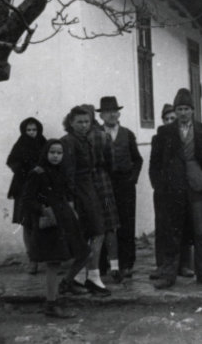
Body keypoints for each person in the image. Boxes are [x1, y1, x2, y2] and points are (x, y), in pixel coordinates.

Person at [149, 89, 202, 289]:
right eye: (179, 109)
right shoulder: (164, 132)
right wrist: (160, 186)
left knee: (201, 231)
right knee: (172, 231)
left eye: (186, 109)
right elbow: (154, 164)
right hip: (173, 190)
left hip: (199, 188)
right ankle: (168, 275)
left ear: (193, 110)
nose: (183, 113)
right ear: (175, 110)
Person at [21, 139, 90, 318]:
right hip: (50, 222)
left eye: (59, 153)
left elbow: (66, 193)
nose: (56, 156)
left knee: (83, 252)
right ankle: (51, 304)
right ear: (46, 153)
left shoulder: (61, 170)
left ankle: (66, 283)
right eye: (52, 152)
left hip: (65, 218)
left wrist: (72, 209)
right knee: (53, 263)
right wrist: (43, 209)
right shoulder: (37, 173)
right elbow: (27, 200)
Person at [61, 106, 111, 296]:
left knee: (96, 233)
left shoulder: (85, 140)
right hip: (79, 192)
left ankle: (81, 277)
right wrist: (71, 201)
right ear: (71, 123)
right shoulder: (68, 142)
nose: (83, 125)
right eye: (79, 122)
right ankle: (86, 278)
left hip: (90, 188)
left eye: (86, 121)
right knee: (96, 232)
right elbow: (68, 173)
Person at [97, 96, 143, 278]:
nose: (111, 115)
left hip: (125, 185)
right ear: (101, 116)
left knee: (126, 222)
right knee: (104, 224)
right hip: (104, 186)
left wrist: (132, 179)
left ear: (119, 113)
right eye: (107, 112)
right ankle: (103, 265)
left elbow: (137, 160)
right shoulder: (96, 133)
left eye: (114, 112)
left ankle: (126, 264)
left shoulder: (127, 134)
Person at [149, 103, 195, 280]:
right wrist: (158, 185)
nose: (169, 122)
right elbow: (154, 164)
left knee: (184, 227)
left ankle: (183, 265)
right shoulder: (159, 137)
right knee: (163, 228)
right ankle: (163, 265)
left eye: (172, 119)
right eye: (166, 119)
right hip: (163, 190)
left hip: (183, 188)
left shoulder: (185, 137)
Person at [81, 104, 123, 284]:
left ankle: (90, 269)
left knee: (90, 227)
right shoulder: (102, 136)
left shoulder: (76, 138)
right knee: (109, 225)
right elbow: (112, 162)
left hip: (84, 183)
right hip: (103, 183)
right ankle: (114, 266)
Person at [6, 117, 47, 274]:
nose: (31, 133)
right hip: (23, 189)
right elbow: (11, 162)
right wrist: (28, 170)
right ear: (24, 131)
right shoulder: (20, 145)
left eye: (34, 130)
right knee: (28, 225)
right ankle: (32, 260)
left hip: (41, 189)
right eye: (28, 130)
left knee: (43, 223)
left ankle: (44, 257)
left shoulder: (44, 143)